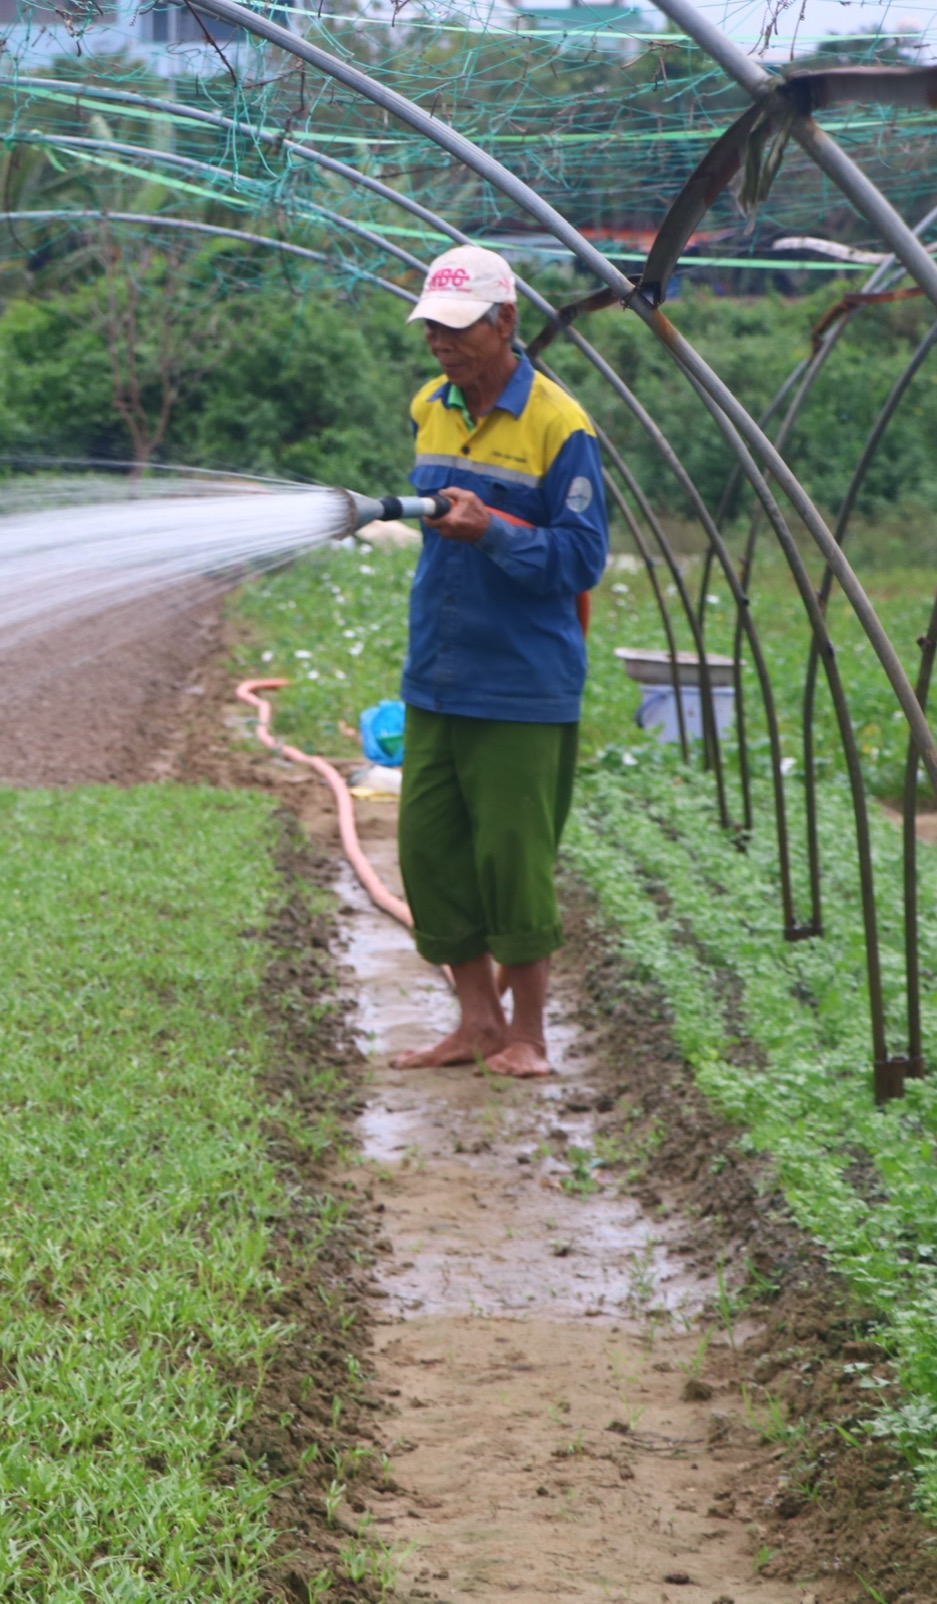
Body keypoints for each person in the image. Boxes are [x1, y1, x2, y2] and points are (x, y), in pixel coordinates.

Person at [392, 244, 608, 1078]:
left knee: (513, 859)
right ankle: (475, 1024)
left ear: (504, 322)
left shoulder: (560, 426)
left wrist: (495, 531)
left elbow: (581, 559)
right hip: (437, 672)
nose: (441, 345)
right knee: (431, 853)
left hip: (522, 682)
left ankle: (530, 1038)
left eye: (457, 329)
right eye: (431, 329)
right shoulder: (430, 407)